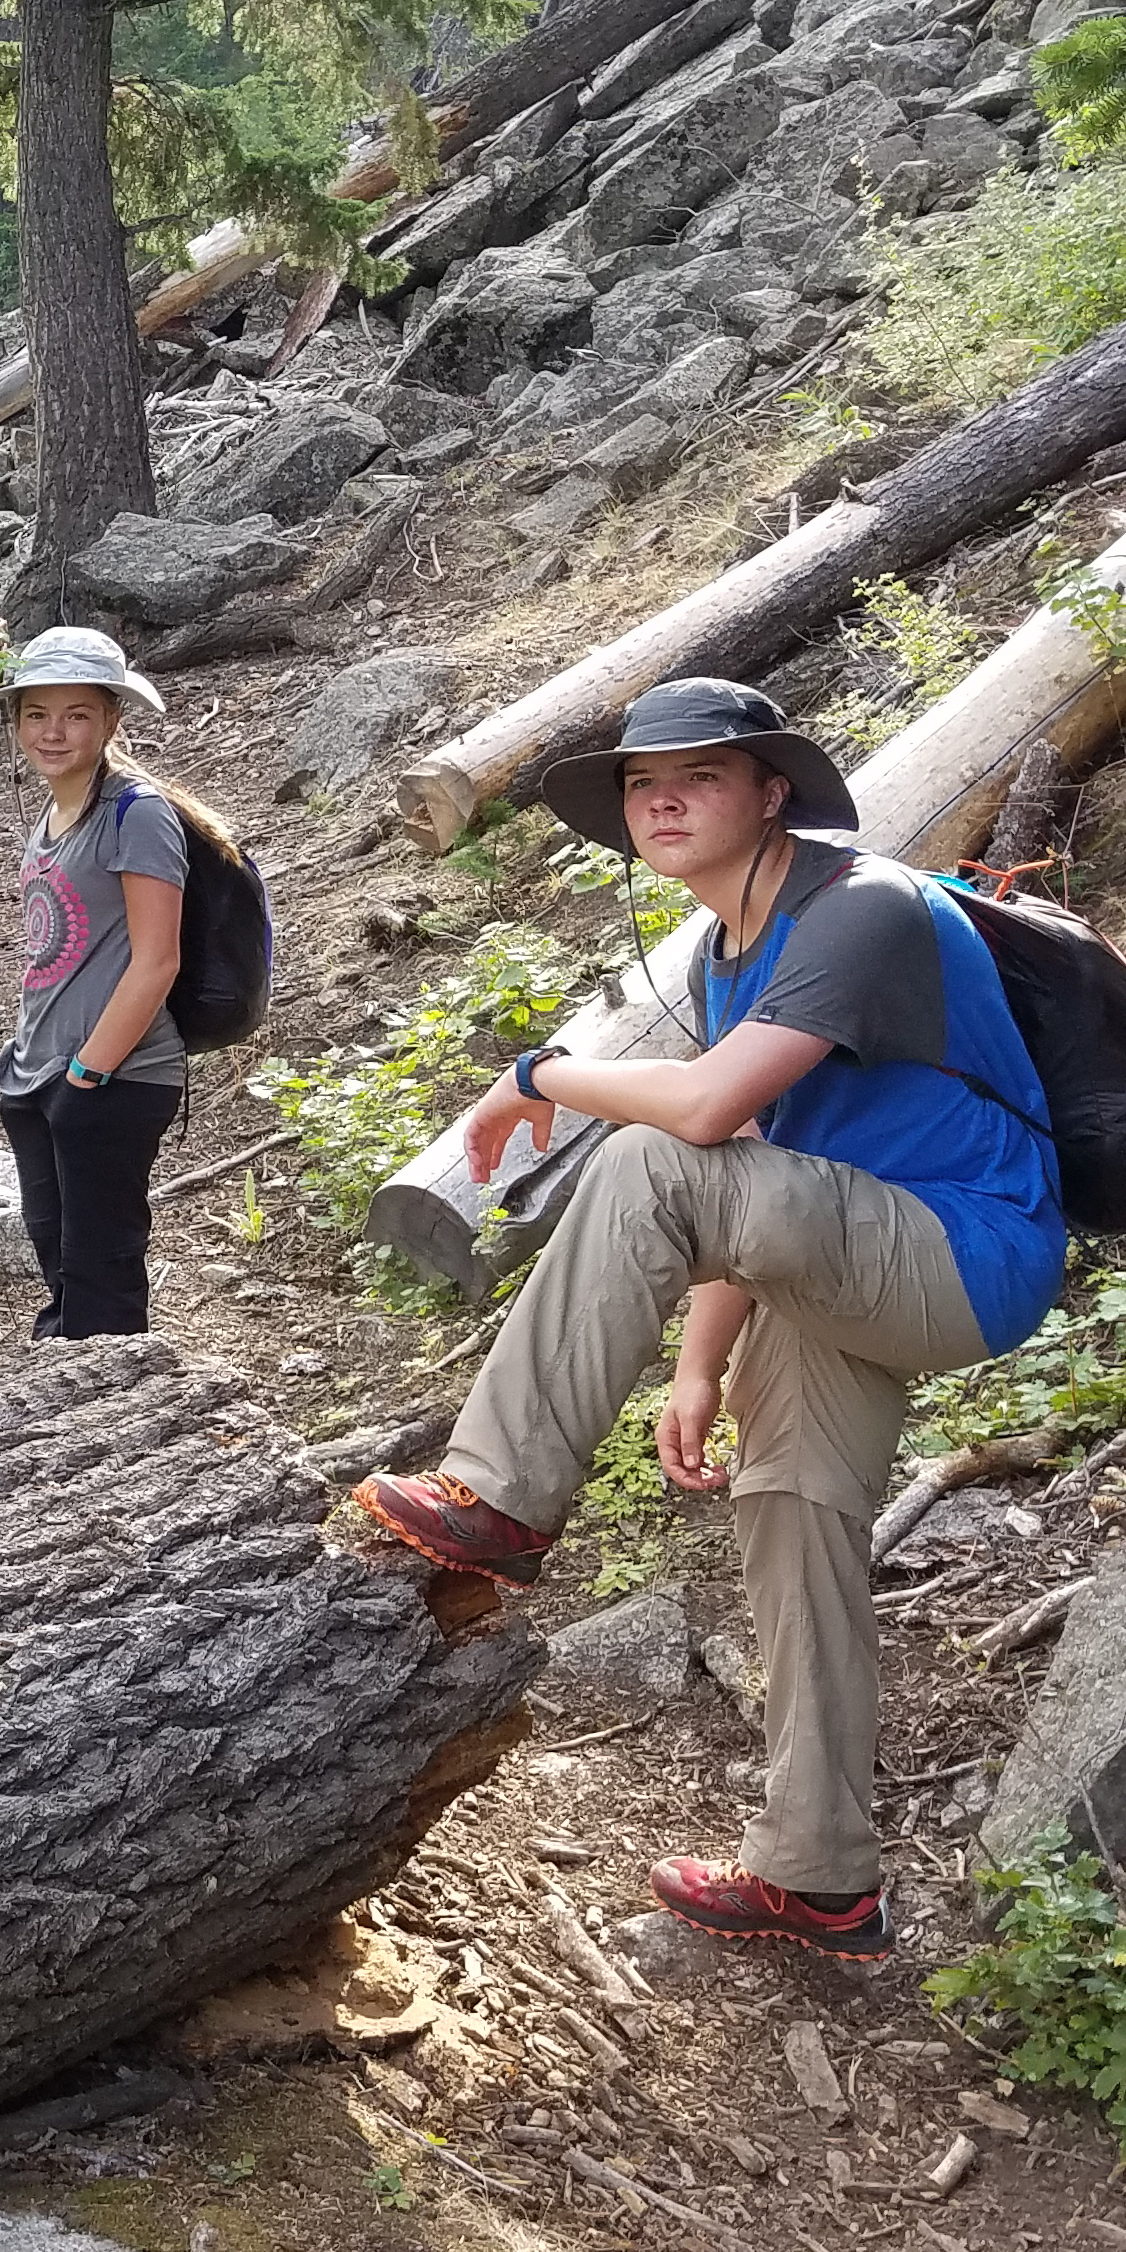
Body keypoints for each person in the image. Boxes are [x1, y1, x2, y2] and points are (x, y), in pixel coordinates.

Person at [355, 677, 1065, 1960]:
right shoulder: (740, 959)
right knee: (795, 1517)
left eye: (700, 773)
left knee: (642, 1155)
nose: (661, 797)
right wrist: (698, 1370)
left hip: (964, 1249)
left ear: (770, 791)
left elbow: (698, 1126)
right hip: (855, 1250)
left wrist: (538, 1074)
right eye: (639, 780)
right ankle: (821, 1873)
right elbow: (759, 1158)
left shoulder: (861, 908)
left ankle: (500, 1494)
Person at [0, 627, 198, 1338]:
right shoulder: (54, 808)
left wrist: (87, 1074)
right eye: (36, 714)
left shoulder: (136, 814)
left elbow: (157, 959)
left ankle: (114, 1419)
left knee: (100, 1275)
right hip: (38, 1069)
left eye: (76, 714)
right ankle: (63, 1400)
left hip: (114, 1077)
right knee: (58, 1260)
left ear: (112, 719)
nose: (53, 732)